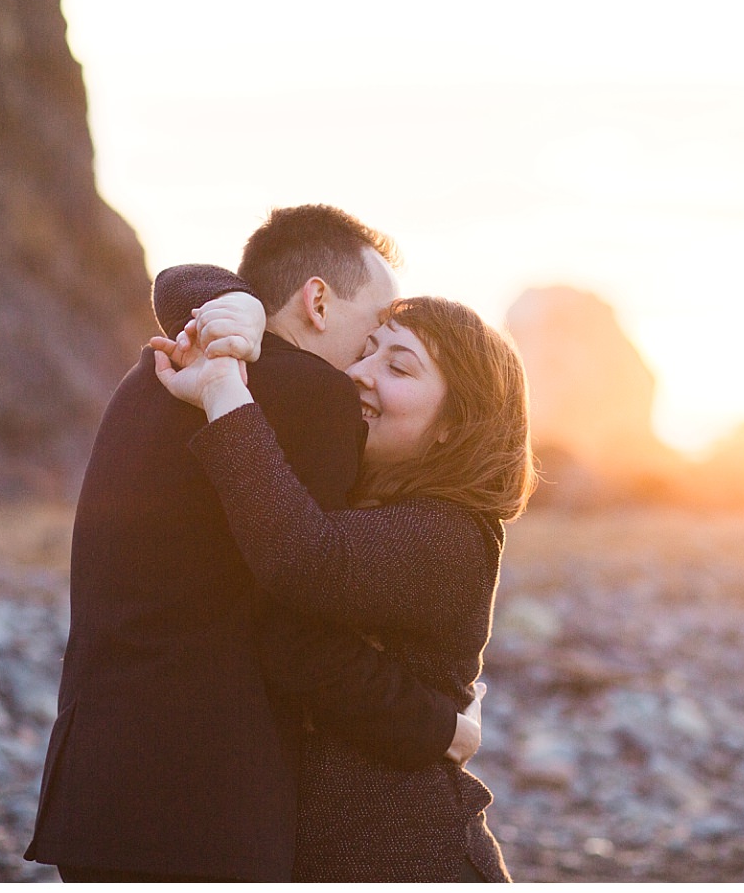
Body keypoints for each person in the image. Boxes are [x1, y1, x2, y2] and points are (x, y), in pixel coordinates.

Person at [24, 205, 481, 882]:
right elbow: (297, 631)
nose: (365, 362)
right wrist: (437, 727)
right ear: (318, 301)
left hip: (94, 778)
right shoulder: (316, 395)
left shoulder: (147, 379)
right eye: (372, 328)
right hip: (209, 795)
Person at [151, 278, 536, 882]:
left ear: (454, 426)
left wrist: (224, 386)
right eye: (367, 350)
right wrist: (248, 310)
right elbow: (180, 284)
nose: (359, 372)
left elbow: (300, 562)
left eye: (399, 367)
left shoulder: (453, 536)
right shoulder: (348, 500)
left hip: (414, 861)